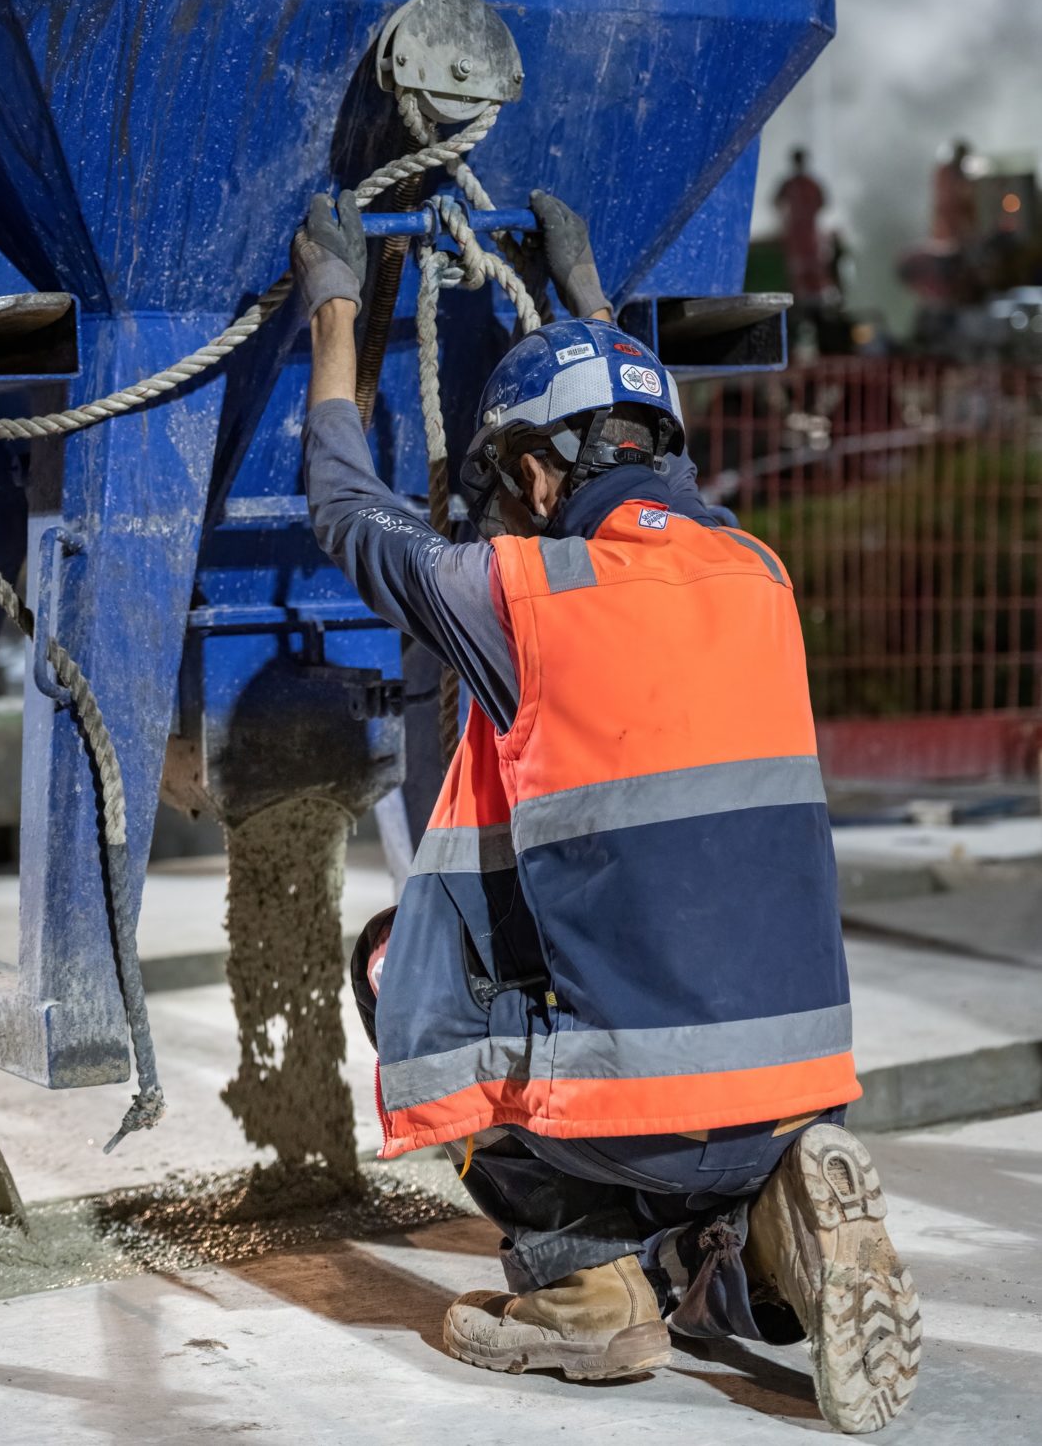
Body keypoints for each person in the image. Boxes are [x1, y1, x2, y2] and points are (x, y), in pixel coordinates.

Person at [293, 189, 920, 1433]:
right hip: (796, 1080)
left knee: (393, 961)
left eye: (510, 481)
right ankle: (779, 1198)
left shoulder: (513, 591)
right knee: (713, 1248)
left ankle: (585, 1293)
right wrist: (597, 306)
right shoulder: (757, 572)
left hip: (634, 1120)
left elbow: (343, 510)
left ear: (532, 471)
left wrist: (334, 307)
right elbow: (660, 469)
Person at [774, 146, 830, 300]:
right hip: (797, 231)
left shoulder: (808, 183)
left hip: (807, 230)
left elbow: (822, 202)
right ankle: (803, 298)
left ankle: (816, 296)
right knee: (800, 266)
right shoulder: (793, 184)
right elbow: (776, 202)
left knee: (812, 264)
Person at [930, 139, 978, 249]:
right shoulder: (945, 173)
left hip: (965, 235)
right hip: (947, 236)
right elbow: (946, 202)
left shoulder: (970, 176)